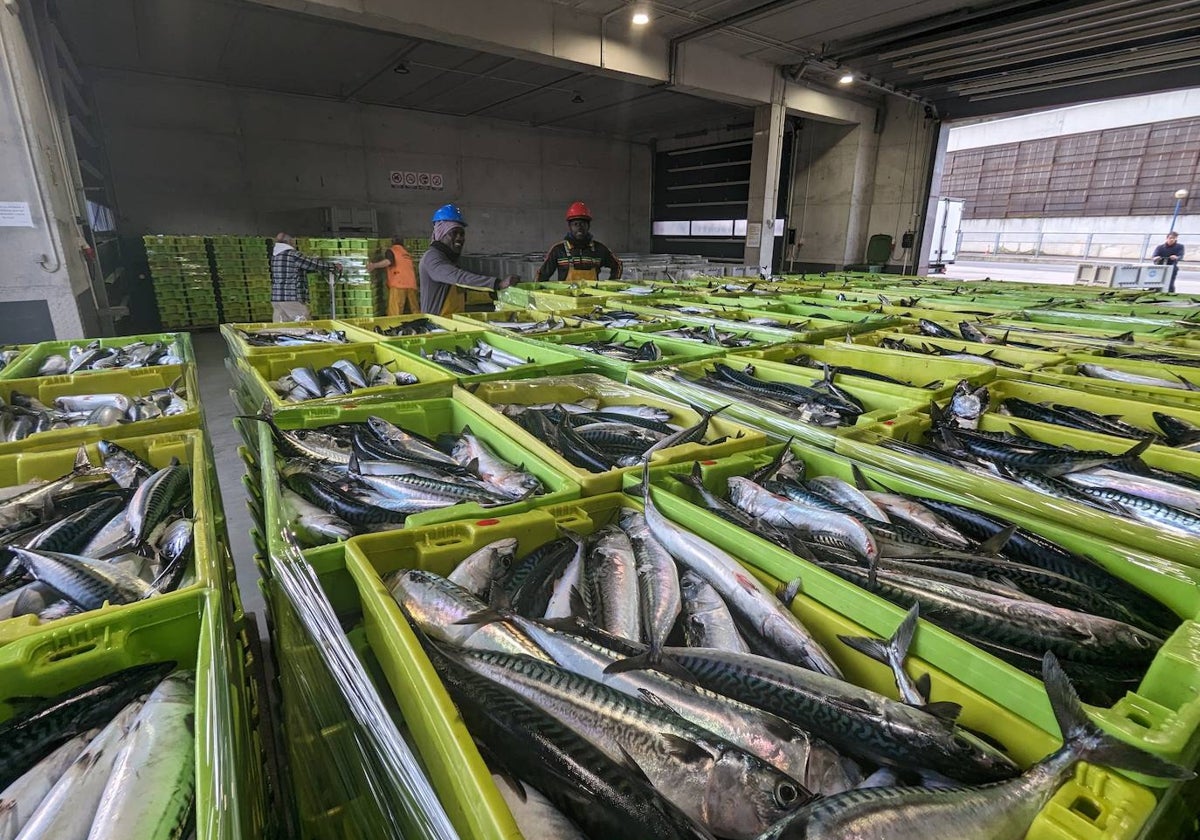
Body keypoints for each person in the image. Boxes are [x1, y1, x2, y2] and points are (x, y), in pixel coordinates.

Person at [419, 204, 516, 316]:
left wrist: (491, 293)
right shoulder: (432, 258)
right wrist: (496, 284)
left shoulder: (449, 258)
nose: (459, 238)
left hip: (454, 322)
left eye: (462, 233)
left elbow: (461, 290)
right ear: (441, 233)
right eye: (454, 233)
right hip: (437, 326)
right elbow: (458, 277)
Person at [537, 201, 623, 283]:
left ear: (588, 226)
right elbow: (542, 276)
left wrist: (611, 285)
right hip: (566, 297)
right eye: (575, 224)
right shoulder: (558, 250)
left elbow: (617, 265)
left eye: (582, 224)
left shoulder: (599, 249)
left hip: (593, 297)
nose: (579, 227)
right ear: (569, 226)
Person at [270, 233, 341, 322]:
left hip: (277, 298)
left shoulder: (276, 256)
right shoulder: (292, 254)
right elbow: (311, 264)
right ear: (289, 242)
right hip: (291, 298)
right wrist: (332, 266)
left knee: (282, 326)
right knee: (305, 323)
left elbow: (295, 269)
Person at [367, 237, 418, 316]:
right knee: (415, 310)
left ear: (392, 242)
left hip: (399, 284)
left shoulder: (392, 250)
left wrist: (374, 265)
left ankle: (394, 327)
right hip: (411, 284)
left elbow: (388, 261)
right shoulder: (405, 253)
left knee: (395, 311)